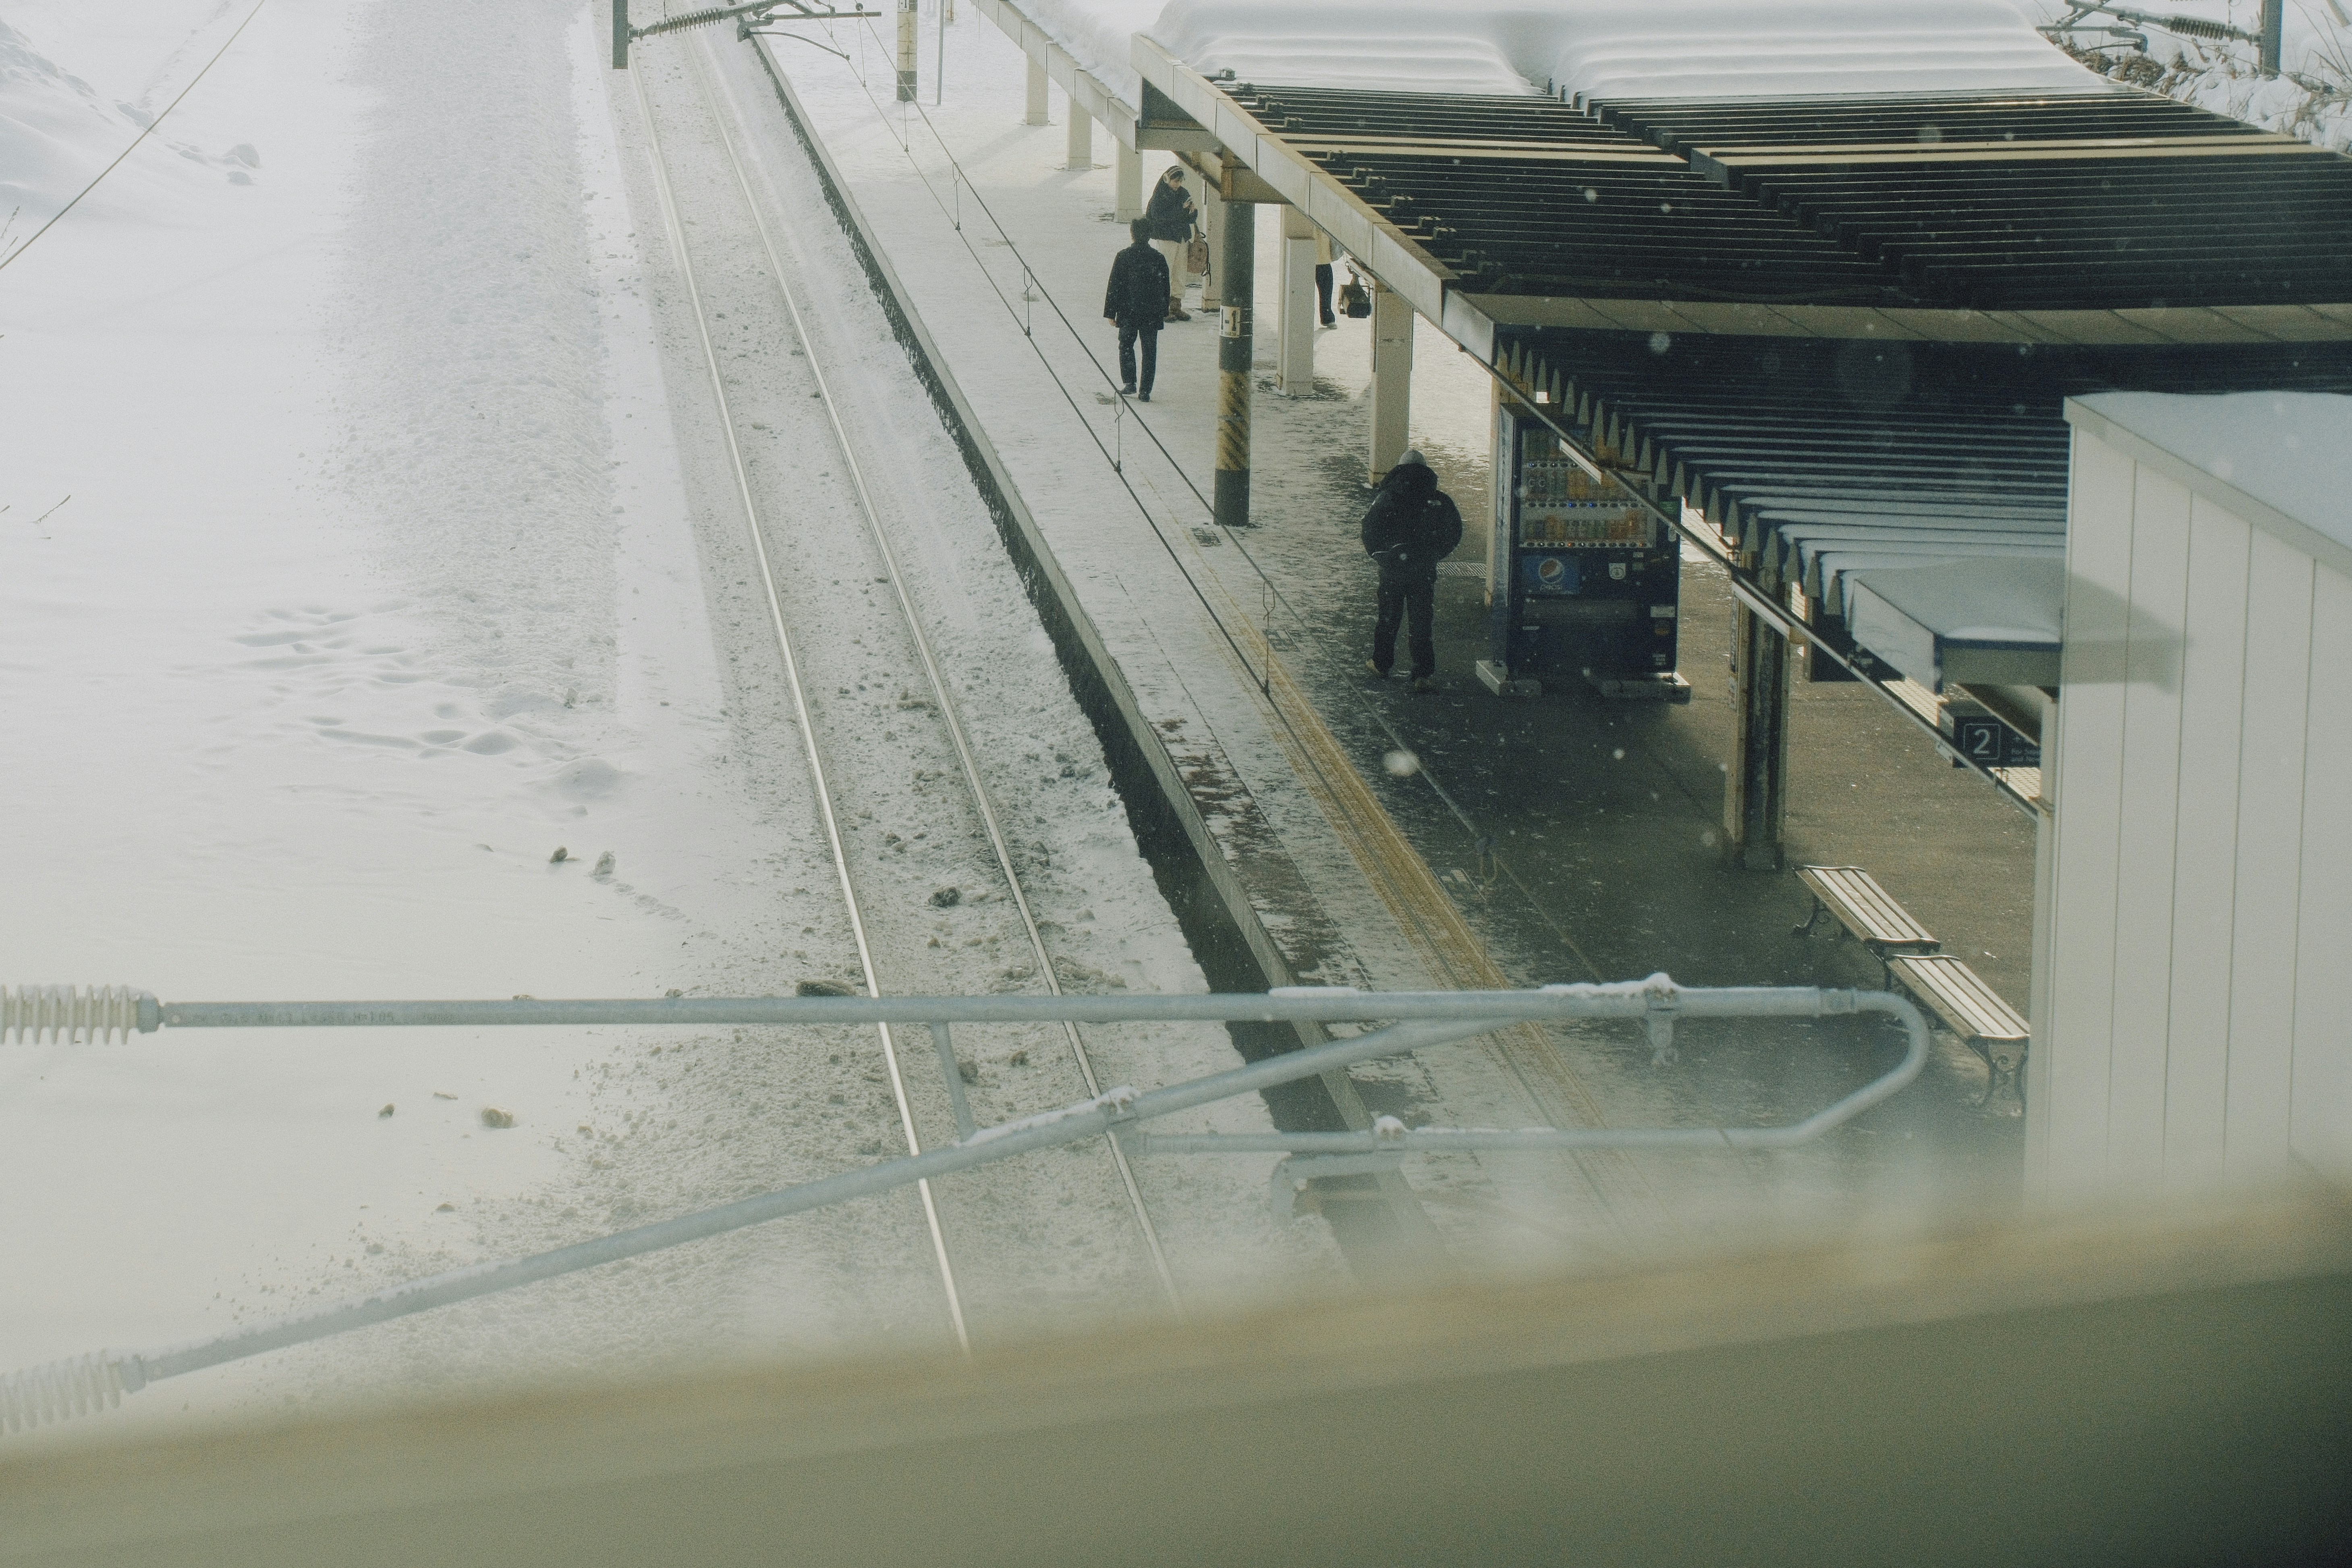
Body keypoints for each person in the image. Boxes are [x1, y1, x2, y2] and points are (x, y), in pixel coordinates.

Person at [1360, 449, 1462, 691]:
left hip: (1393, 571)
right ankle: (1422, 675)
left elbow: (1369, 530)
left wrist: (1383, 556)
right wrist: (1434, 554)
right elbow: (1454, 531)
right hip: (1423, 572)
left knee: (1388, 620)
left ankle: (1381, 664)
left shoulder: (1387, 497)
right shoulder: (1438, 500)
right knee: (1421, 623)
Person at [1102, 219, 1170, 401]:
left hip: (1128, 311)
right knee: (1149, 350)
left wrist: (1111, 312)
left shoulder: (1124, 257)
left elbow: (1114, 286)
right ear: (1150, 235)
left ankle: (1130, 382)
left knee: (1126, 345)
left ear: (1132, 234)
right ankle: (1145, 390)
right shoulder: (1158, 258)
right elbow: (1165, 287)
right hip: (1151, 313)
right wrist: (1164, 310)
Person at [1144, 165, 1197, 322]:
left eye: (1180, 181)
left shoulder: (1183, 193)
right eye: (1175, 181)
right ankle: (1162, 307)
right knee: (1165, 271)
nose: (1178, 184)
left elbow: (1189, 219)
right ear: (1168, 179)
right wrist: (1182, 210)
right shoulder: (1160, 196)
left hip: (1182, 238)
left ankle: (1176, 306)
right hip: (1167, 238)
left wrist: (1192, 212)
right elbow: (1161, 217)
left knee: (1180, 273)